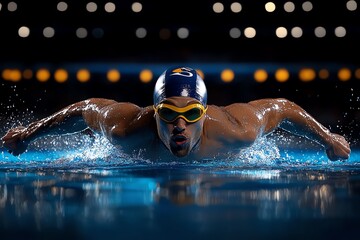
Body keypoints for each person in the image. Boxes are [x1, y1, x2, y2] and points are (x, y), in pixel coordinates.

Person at [1, 66, 351, 161]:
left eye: (191, 113)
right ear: (154, 112)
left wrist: (327, 137)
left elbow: (284, 108)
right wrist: (29, 133)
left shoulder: (236, 130)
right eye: (168, 113)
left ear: (205, 112)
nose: (179, 125)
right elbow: (83, 108)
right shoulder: (125, 128)